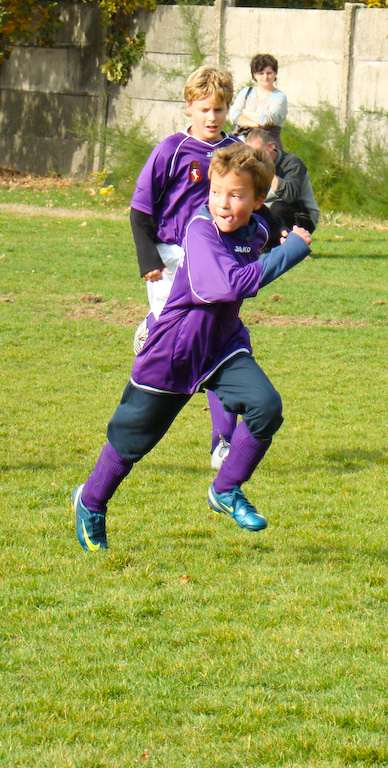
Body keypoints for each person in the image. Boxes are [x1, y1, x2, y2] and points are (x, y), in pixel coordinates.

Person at [72, 143, 313, 551]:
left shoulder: (254, 227)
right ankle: (90, 503)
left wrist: (282, 235)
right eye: (216, 192)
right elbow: (226, 286)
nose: (223, 203)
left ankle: (226, 488)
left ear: (257, 200)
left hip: (221, 346)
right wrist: (291, 251)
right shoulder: (200, 231)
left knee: (266, 407)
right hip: (176, 348)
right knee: (132, 441)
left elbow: (264, 234)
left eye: (236, 195)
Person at [130, 66, 244, 471]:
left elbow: (255, 203)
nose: (212, 117)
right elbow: (140, 210)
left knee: (214, 344)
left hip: (213, 260)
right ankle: (153, 325)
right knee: (174, 351)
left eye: (219, 109)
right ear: (189, 108)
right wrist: (149, 260)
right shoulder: (170, 150)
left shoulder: (235, 152)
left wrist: (277, 229)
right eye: (204, 109)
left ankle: (223, 442)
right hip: (172, 258)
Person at [244, 128, 320, 233]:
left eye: (258, 153)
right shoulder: (251, 167)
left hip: (303, 215)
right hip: (269, 212)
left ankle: (284, 243)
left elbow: (290, 196)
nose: (255, 158)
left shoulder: (292, 163)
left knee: (278, 208)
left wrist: (267, 170)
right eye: (251, 154)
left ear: (270, 147)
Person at [229, 53, 288, 149]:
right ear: (254, 75)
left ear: (275, 74)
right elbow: (233, 115)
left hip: (268, 148)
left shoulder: (279, 97)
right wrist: (255, 124)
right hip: (241, 146)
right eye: (261, 73)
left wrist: (244, 112)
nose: (265, 77)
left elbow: (266, 120)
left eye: (269, 73)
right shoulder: (246, 92)